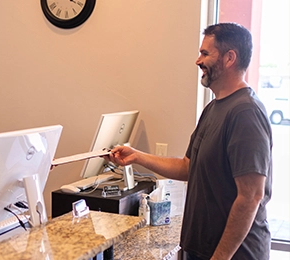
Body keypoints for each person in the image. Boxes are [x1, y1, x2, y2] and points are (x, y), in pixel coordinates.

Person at [108, 23, 272, 260]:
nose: (198, 61)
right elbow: (188, 166)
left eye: (205, 53)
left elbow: (251, 196)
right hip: (201, 250)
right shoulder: (214, 108)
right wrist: (137, 156)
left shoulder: (246, 113)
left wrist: (220, 257)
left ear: (229, 58)